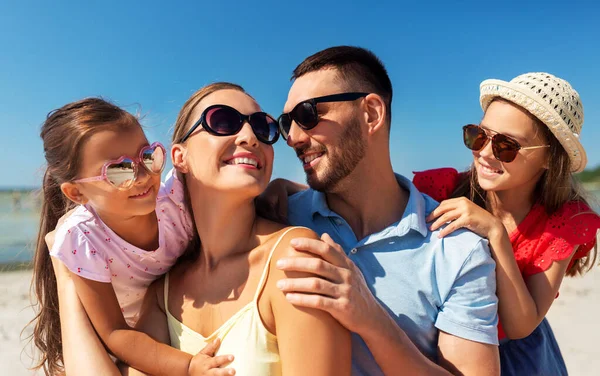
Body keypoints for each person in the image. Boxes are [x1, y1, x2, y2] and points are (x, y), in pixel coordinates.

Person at [51, 84, 352, 376]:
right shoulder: (164, 292)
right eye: (222, 121)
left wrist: (285, 188)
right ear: (180, 157)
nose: (250, 136)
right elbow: (116, 333)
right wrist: (65, 276)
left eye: (263, 127)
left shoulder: (292, 259)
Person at [265, 46, 501, 375]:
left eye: (307, 115)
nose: (292, 137)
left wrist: (373, 321)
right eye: (286, 122)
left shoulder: (457, 250)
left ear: (371, 114)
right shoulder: (276, 219)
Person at [413, 72, 600, 375]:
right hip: (436, 345)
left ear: (550, 159)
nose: (485, 152)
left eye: (506, 146)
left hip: (517, 360)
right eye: (479, 135)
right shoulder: (442, 188)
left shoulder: (563, 222)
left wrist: (495, 233)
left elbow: (520, 325)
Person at [31, 98, 232, 375]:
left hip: (179, 316)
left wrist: (281, 188)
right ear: (77, 193)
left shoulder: (177, 198)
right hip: (130, 347)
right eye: (119, 170)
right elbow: (115, 333)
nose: (142, 176)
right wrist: (187, 366)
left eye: (148, 156)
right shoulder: (83, 239)